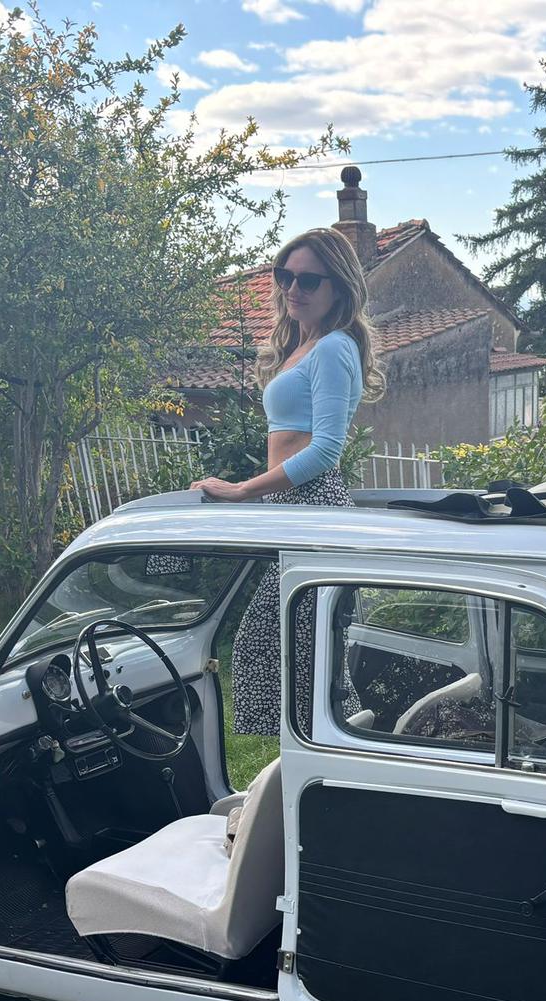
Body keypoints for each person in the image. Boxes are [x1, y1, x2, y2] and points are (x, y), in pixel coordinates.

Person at [192, 227, 385, 736]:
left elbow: (325, 450)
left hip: (314, 506)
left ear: (338, 288)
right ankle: (312, 774)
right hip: (293, 507)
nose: (292, 288)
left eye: (308, 280)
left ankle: (322, 772)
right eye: (284, 276)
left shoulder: (334, 348)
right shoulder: (306, 345)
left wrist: (242, 490)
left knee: (282, 649)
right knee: (299, 656)